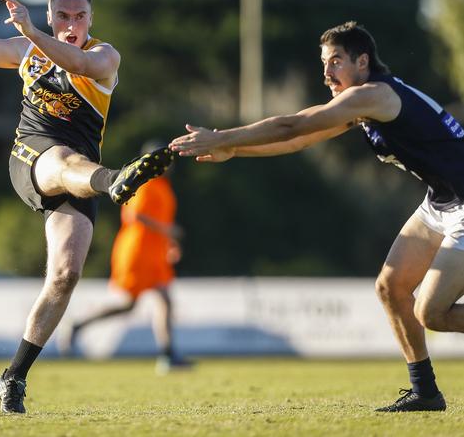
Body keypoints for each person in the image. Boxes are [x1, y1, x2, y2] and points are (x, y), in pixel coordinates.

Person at [170, 21, 464, 412]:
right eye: (324, 63)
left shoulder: (373, 95)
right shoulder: (359, 104)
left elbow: (294, 124)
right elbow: (299, 137)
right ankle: (425, 392)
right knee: (390, 289)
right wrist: (234, 151)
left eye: (336, 61)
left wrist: (223, 137)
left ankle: (426, 391)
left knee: (431, 312)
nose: (326, 73)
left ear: (363, 61)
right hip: (441, 202)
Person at [0, 0, 173, 413]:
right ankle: (114, 180)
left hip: (80, 177)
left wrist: (33, 33)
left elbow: (76, 62)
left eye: (80, 16)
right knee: (64, 160)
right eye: (62, 15)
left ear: (91, 18)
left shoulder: (106, 57)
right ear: (50, 15)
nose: (72, 24)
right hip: (34, 159)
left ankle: (13, 377)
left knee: (65, 274)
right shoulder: (27, 51)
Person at [59, 141, 191, 374]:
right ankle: (167, 355)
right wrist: (168, 231)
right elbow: (134, 215)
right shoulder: (146, 183)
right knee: (145, 302)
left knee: (145, 303)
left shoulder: (163, 186)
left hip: (154, 252)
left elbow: (158, 218)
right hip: (138, 251)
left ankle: (168, 354)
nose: (168, 165)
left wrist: (168, 242)